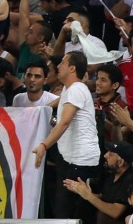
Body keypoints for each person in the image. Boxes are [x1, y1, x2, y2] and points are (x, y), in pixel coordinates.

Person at [32, 52, 100, 221]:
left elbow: (64, 122)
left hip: (79, 163)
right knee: (65, 212)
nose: (58, 66)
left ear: (72, 68)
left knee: (68, 215)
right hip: (72, 161)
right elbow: (61, 101)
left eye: (62, 62)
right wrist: (39, 111)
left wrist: (44, 145)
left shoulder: (75, 90)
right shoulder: (70, 89)